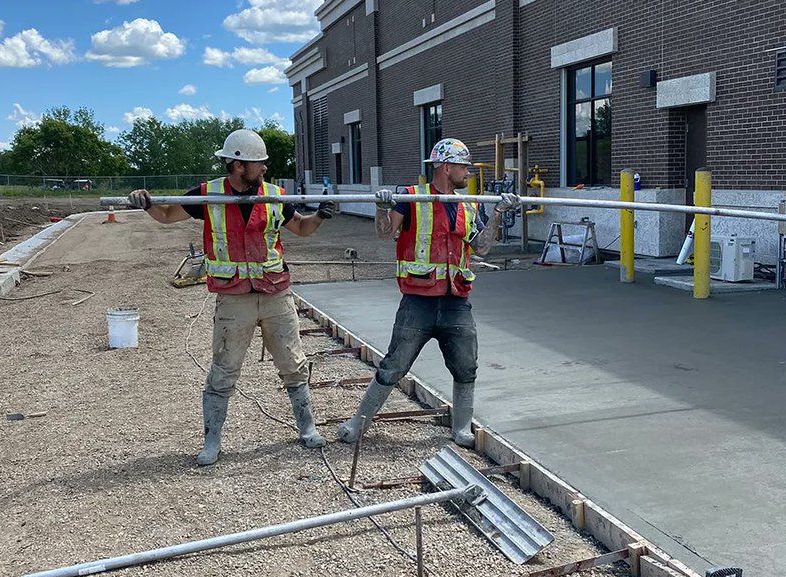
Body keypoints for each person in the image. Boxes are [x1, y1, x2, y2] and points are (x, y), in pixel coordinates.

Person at [130, 128, 334, 464]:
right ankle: (212, 443)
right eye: (259, 163)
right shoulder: (207, 195)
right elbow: (166, 216)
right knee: (224, 369)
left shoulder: (272, 195)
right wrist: (146, 203)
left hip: (275, 295)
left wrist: (321, 216)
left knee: (293, 363)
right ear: (239, 166)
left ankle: (307, 428)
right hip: (233, 299)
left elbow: (302, 228)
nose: (265, 168)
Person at [337, 138, 522, 449]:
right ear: (447, 167)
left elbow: (482, 246)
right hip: (418, 301)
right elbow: (384, 234)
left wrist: (499, 214)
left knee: (466, 365)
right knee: (395, 365)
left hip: (456, 301)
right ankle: (358, 423)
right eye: (464, 166)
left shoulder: (468, 203)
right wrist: (382, 207)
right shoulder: (411, 198)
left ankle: (461, 427)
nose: (468, 172)